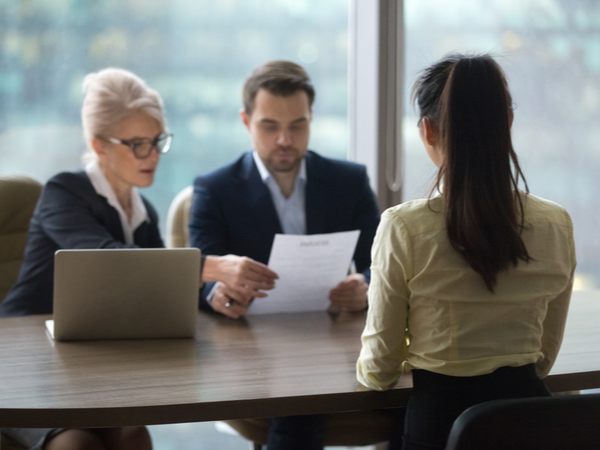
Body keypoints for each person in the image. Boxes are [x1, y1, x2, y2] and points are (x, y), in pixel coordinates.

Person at [0, 68, 274, 449]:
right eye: (137, 144)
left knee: (133, 435)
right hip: (23, 358)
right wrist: (212, 266)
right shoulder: (63, 193)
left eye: (157, 141)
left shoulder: (142, 210)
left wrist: (213, 293)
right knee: (75, 444)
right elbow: (106, 259)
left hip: (88, 361)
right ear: (99, 146)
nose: (152, 156)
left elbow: (157, 287)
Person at [357, 53, 576, 450]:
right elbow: (542, 358)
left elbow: (380, 369)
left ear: (427, 131)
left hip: (441, 430)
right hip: (532, 428)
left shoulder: (404, 227)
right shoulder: (556, 223)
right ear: (507, 124)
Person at [188, 61, 381, 449]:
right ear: (246, 121)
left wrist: (365, 285)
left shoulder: (350, 181)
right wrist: (217, 295)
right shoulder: (214, 189)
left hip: (338, 337)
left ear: (311, 119)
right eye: (269, 126)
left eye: (297, 125)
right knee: (301, 410)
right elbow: (197, 274)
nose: (284, 139)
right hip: (258, 346)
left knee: (419, 403)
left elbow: (382, 264)